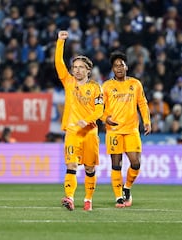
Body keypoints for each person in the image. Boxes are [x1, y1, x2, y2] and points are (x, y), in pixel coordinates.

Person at [55, 30, 104, 211]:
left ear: (88, 70)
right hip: (72, 131)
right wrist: (60, 42)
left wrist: (88, 119)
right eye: (74, 67)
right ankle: (69, 197)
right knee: (71, 164)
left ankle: (88, 199)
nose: (76, 70)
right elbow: (59, 63)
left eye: (80, 67)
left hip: (90, 132)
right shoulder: (68, 82)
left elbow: (100, 109)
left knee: (90, 168)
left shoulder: (96, 88)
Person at [101, 51, 151, 208]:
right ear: (112, 69)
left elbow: (142, 103)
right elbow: (98, 107)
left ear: (126, 67)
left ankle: (127, 187)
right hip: (114, 131)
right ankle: (118, 197)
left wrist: (147, 121)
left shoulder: (135, 84)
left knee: (135, 163)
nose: (119, 68)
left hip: (131, 130)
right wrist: (105, 118)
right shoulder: (107, 86)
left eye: (121, 65)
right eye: (116, 66)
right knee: (116, 164)